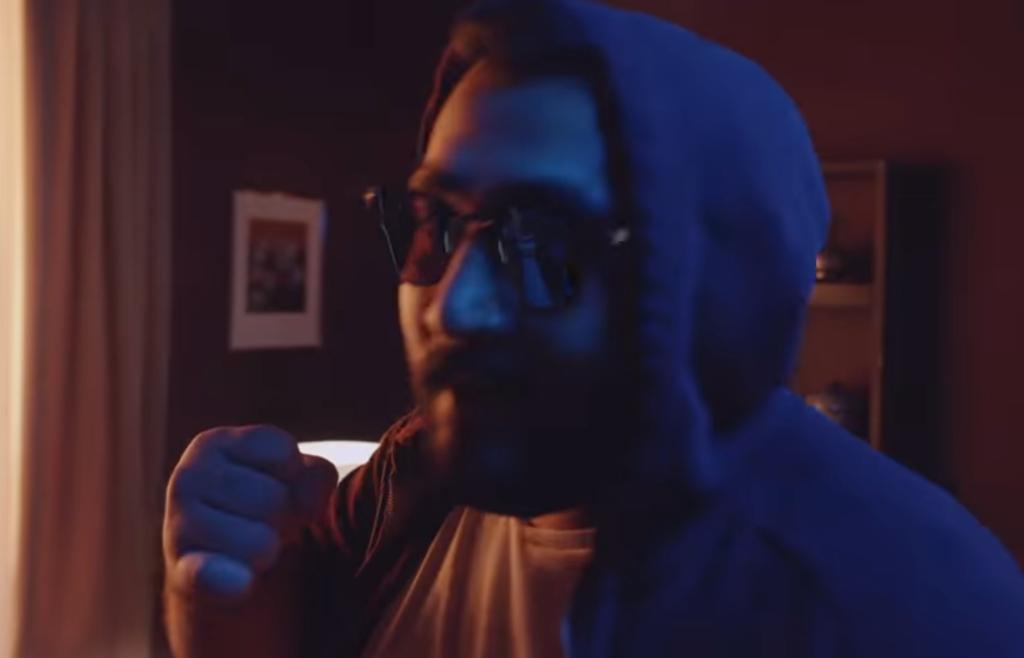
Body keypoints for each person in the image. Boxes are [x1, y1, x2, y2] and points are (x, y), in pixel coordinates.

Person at [162, 1, 1024, 657]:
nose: (454, 306)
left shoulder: (900, 604)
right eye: (437, 222)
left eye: (545, 238)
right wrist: (229, 595)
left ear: (710, 277)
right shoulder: (411, 480)